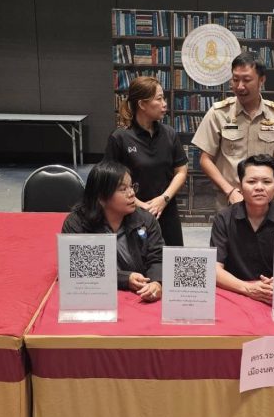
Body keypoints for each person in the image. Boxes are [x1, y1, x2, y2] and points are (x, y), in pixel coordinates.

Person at [192, 52, 274, 209]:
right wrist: (230, 191)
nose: (240, 86)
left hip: (264, 201)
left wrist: (272, 190)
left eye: (247, 80)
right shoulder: (219, 113)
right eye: (235, 80)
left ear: (261, 80)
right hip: (228, 201)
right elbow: (205, 160)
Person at [61, 161, 164, 302]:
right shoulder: (78, 224)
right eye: (123, 189)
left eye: (131, 186)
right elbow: (78, 270)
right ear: (101, 197)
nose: (132, 194)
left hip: (138, 297)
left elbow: (158, 258)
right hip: (95, 298)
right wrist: (125, 279)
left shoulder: (145, 220)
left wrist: (156, 283)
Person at [105, 76, 188, 246]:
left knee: (171, 258)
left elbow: (181, 171)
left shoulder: (169, 134)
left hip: (167, 212)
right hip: (132, 214)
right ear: (142, 104)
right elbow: (111, 180)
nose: (164, 104)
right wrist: (142, 206)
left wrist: (163, 199)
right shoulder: (119, 138)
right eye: (159, 99)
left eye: (164, 98)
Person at [210, 154, 274, 304]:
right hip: (235, 293)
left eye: (267, 182)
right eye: (252, 181)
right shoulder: (224, 219)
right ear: (240, 186)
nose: (259, 187)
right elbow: (214, 270)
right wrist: (247, 288)